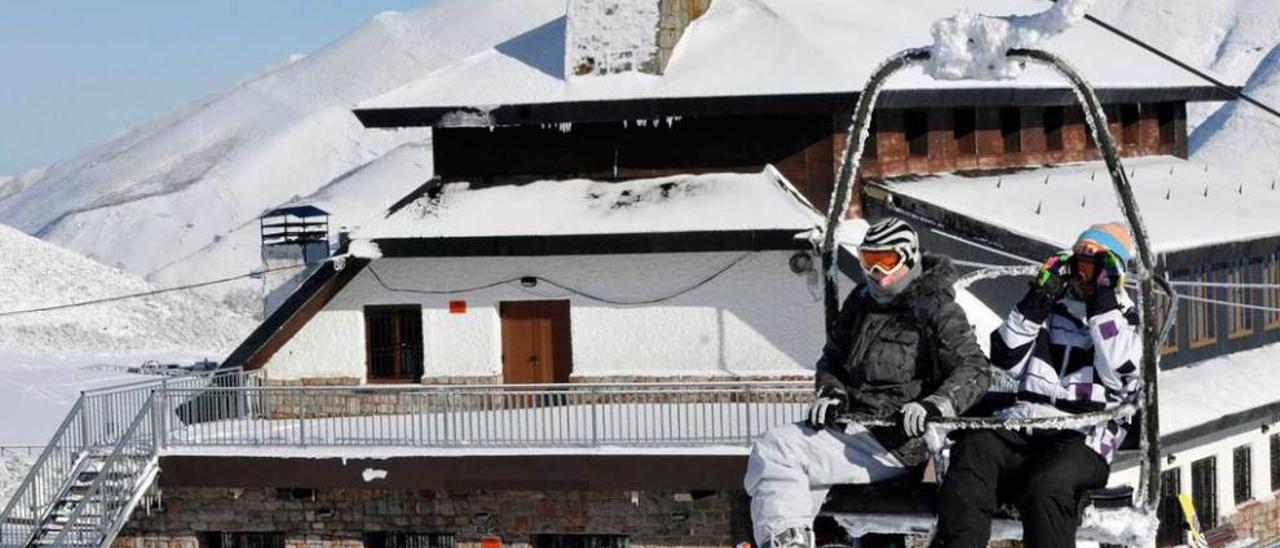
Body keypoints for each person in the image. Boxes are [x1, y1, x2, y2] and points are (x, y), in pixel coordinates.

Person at [744, 217, 992, 548]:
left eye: (885, 261)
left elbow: (974, 369)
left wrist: (934, 405)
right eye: (867, 261)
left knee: (776, 449)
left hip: (891, 440)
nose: (875, 272)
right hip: (850, 429)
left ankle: (786, 542)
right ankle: (791, 538)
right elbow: (832, 359)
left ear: (908, 258)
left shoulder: (936, 310)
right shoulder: (861, 302)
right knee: (791, 470)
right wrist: (832, 393)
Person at [933, 222, 1144, 548]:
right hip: (1025, 425)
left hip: (1083, 438)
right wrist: (1038, 298)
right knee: (974, 448)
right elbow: (1005, 357)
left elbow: (1122, 370)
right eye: (1078, 264)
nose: (1082, 276)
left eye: (1093, 267)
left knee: (1046, 484)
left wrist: (1102, 303)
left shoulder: (1128, 320)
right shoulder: (1049, 309)